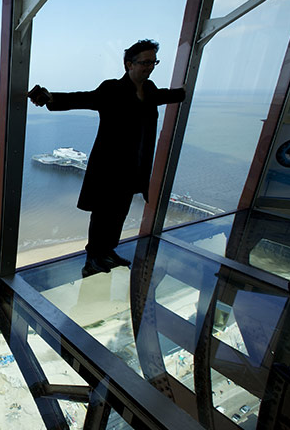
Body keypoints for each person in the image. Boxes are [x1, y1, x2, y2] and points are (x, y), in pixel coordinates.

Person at [28, 39, 185, 276]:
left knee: (119, 213)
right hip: (108, 167)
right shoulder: (112, 89)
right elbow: (82, 98)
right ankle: (93, 258)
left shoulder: (150, 90)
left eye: (154, 62)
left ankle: (109, 252)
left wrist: (183, 92)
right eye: (145, 62)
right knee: (102, 215)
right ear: (128, 64)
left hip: (133, 168)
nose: (150, 66)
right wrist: (50, 98)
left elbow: (167, 95)